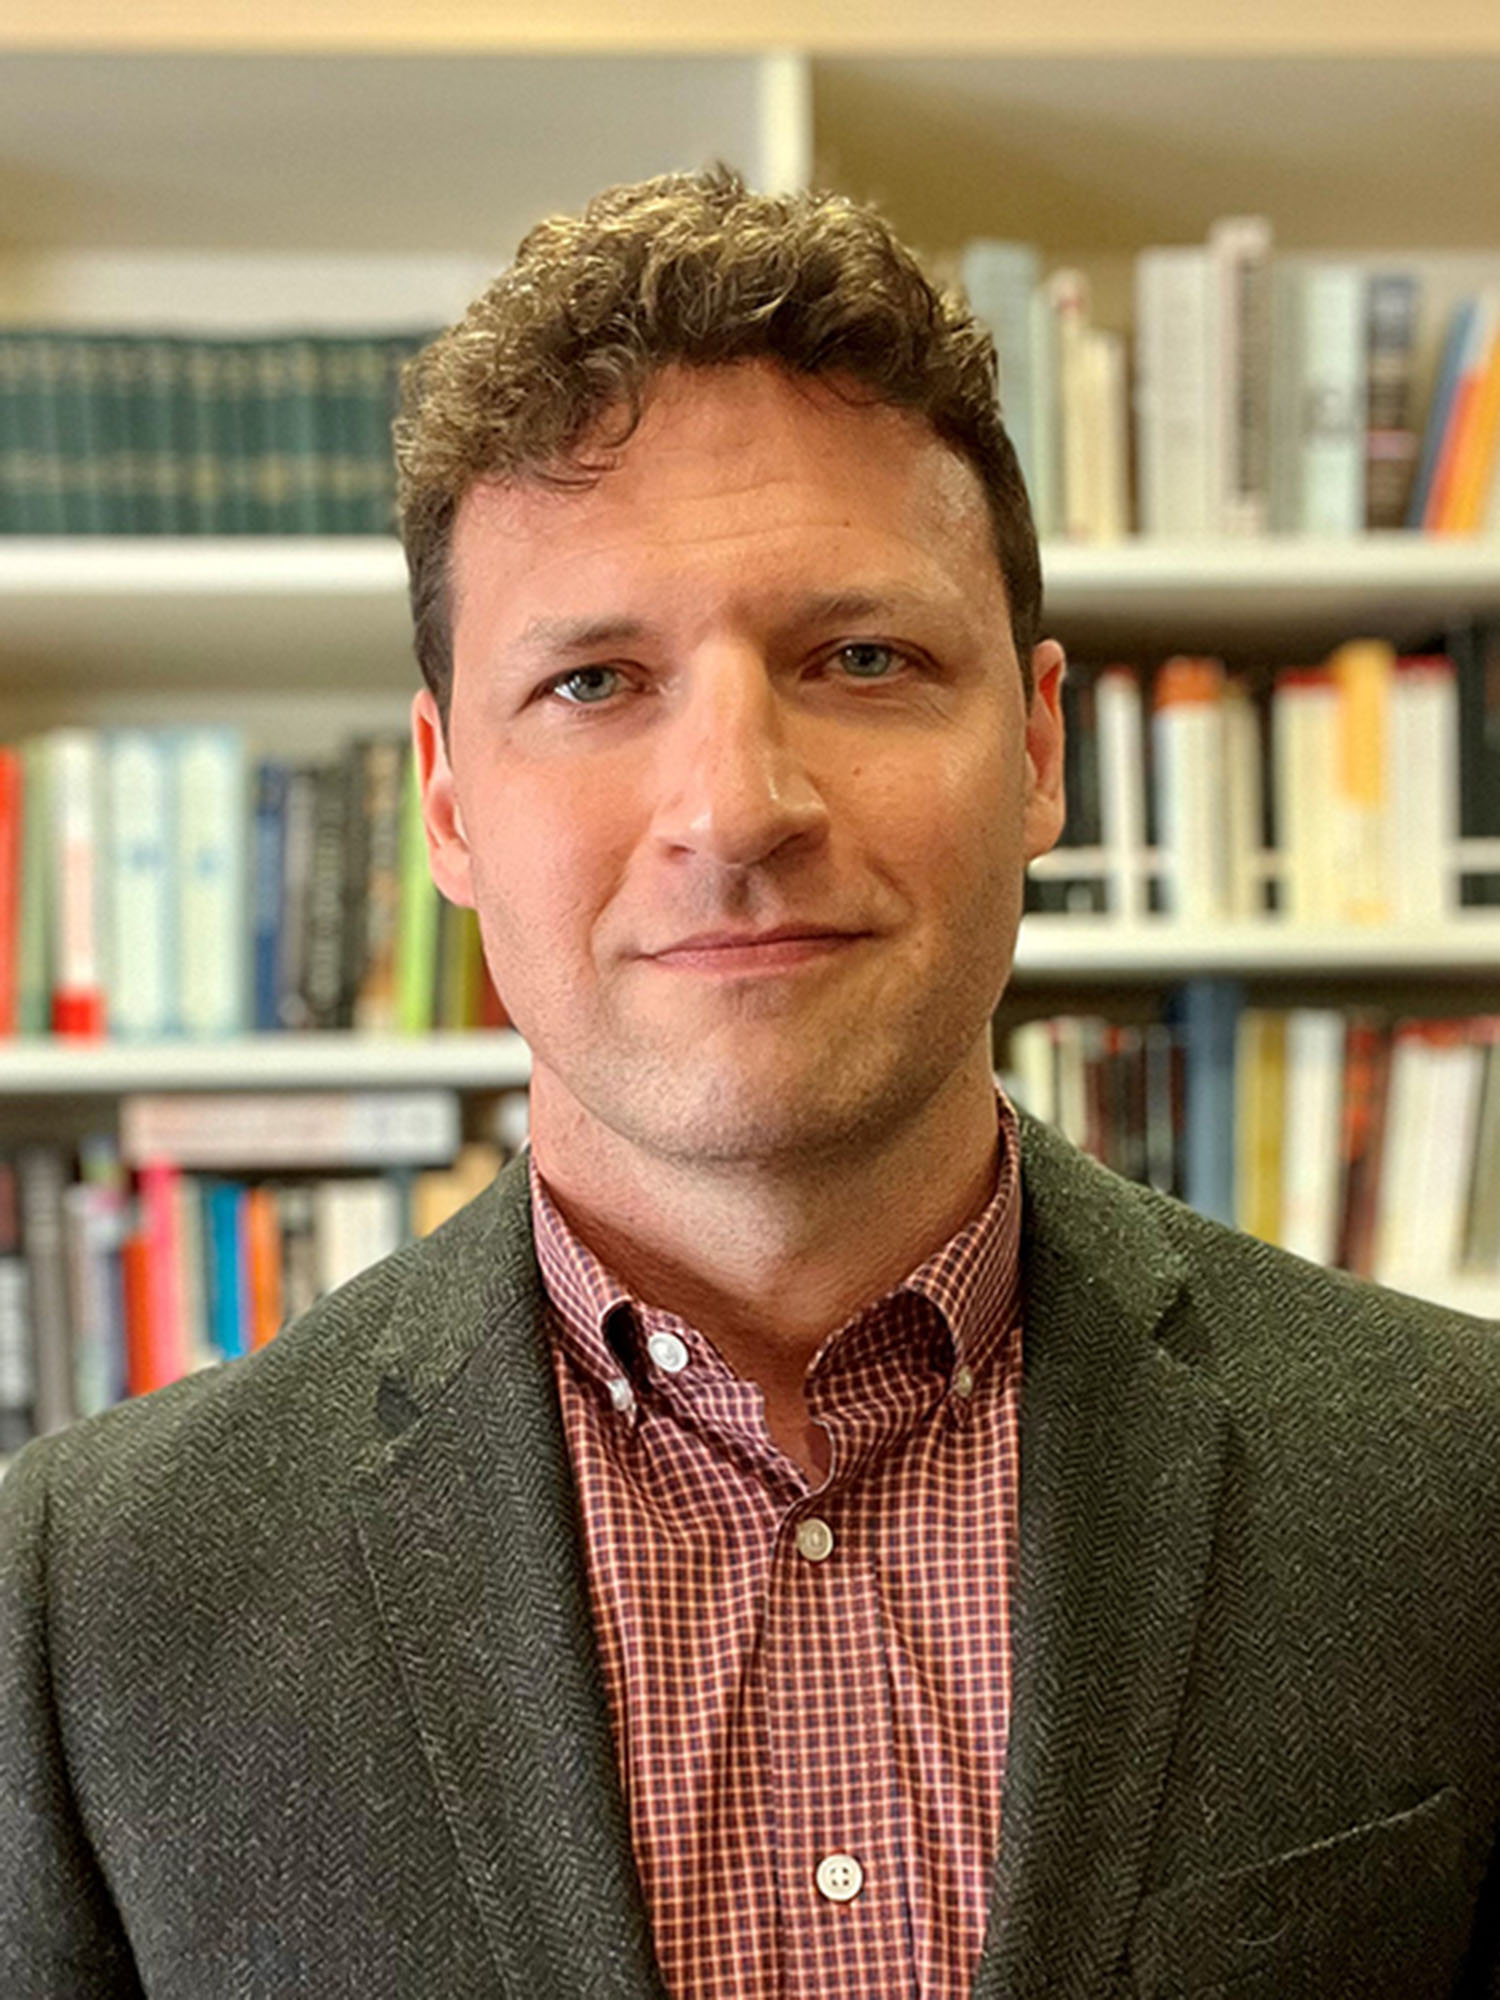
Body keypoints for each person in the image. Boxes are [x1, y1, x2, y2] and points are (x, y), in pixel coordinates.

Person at [2, 167, 1498, 2000]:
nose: (737, 807)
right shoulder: (86, 1601)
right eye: (594, 682)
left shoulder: (1461, 1482)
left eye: (859, 659)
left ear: (1037, 747)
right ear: (448, 799)